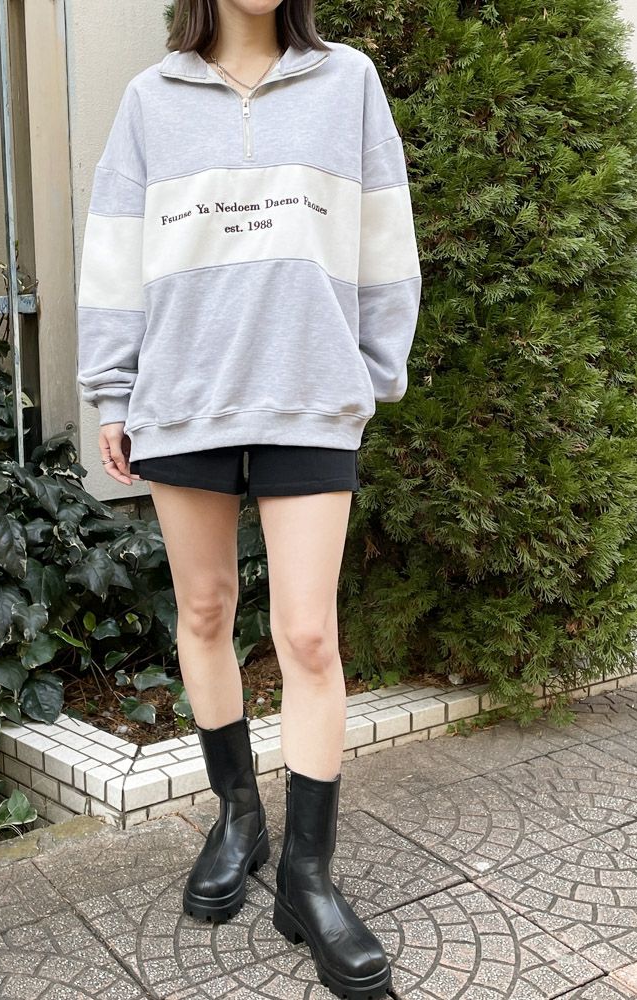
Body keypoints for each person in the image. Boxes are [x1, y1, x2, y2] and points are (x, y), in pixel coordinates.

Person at [75, 0, 420, 996]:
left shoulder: (348, 82)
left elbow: (383, 231)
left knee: (307, 635)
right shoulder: (150, 100)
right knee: (205, 609)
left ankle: (308, 879)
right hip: (183, 400)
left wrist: (370, 372)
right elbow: (114, 252)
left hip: (309, 395)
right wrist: (112, 390)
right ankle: (238, 815)